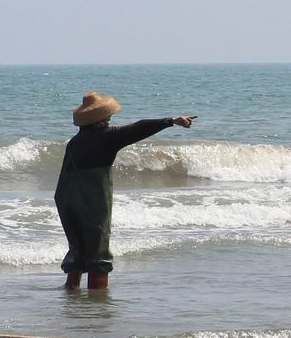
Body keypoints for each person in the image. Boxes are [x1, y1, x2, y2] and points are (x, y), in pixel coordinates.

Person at [54, 93, 196, 290]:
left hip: (65, 198)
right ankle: (97, 301)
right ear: (101, 119)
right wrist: (170, 121)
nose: (110, 118)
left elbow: (64, 179)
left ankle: (72, 296)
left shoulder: (75, 142)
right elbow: (138, 128)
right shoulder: (107, 137)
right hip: (93, 199)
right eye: (107, 115)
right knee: (98, 253)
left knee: (77, 250)